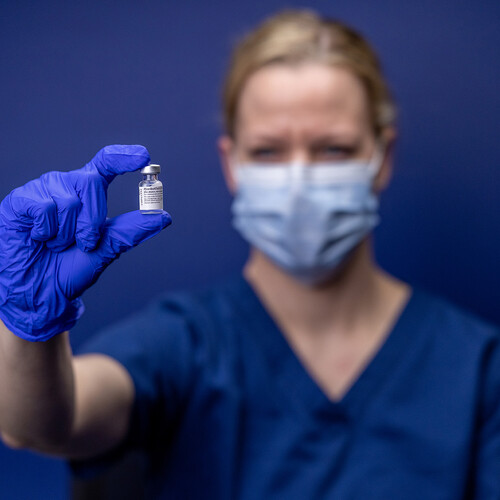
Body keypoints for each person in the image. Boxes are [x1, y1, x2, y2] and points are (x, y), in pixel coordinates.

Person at [0, 9, 499, 499]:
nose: (298, 179)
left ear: (382, 158)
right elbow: (45, 424)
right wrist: (30, 324)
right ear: (231, 164)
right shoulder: (185, 344)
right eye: (268, 152)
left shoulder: (477, 368)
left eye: (333, 150)